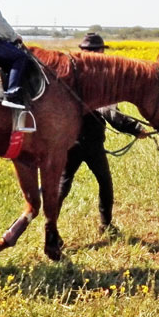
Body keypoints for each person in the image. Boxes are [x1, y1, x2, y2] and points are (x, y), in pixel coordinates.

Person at [59, 32, 146, 233]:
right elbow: (110, 112)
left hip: (70, 141)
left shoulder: (72, 75)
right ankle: (106, 226)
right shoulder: (99, 80)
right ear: (97, 52)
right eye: (100, 51)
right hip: (92, 144)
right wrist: (135, 128)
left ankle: (50, 226)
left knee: (62, 185)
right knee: (105, 184)